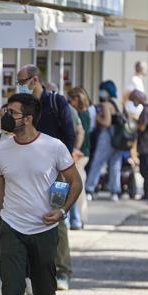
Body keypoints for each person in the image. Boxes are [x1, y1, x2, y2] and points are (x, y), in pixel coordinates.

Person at [0, 93, 82, 295]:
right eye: (6, 111)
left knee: (45, 292)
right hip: (11, 227)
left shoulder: (53, 146)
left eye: (12, 113)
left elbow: (74, 182)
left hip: (44, 229)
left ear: (27, 119)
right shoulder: (2, 149)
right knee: (12, 290)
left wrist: (62, 211)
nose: (6, 117)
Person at [16, 64, 75, 291]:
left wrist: (63, 164)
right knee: (27, 217)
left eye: (23, 80)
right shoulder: (23, 106)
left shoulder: (56, 102)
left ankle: (62, 271)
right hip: (28, 173)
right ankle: (30, 273)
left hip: (57, 173)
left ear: (35, 79)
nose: (20, 85)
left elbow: (69, 134)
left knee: (57, 218)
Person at [84, 80, 124, 202]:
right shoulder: (117, 103)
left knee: (97, 162)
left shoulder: (106, 105)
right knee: (115, 165)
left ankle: (90, 188)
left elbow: (106, 122)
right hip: (119, 138)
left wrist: (96, 118)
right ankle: (115, 191)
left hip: (107, 136)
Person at [67, 88, 90, 229]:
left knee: (76, 188)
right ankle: (79, 218)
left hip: (78, 154)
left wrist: (75, 150)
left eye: (71, 99)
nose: (69, 101)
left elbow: (81, 133)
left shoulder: (76, 113)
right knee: (78, 187)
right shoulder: (85, 113)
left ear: (77, 99)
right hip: (82, 153)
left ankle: (77, 219)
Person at [129, 90, 148, 202]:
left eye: (133, 100)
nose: (133, 102)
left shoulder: (145, 110)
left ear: (138, 98)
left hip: (146, 145)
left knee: (147, 169)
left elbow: (142, 127)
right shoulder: (147, 109)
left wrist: (135, 125)